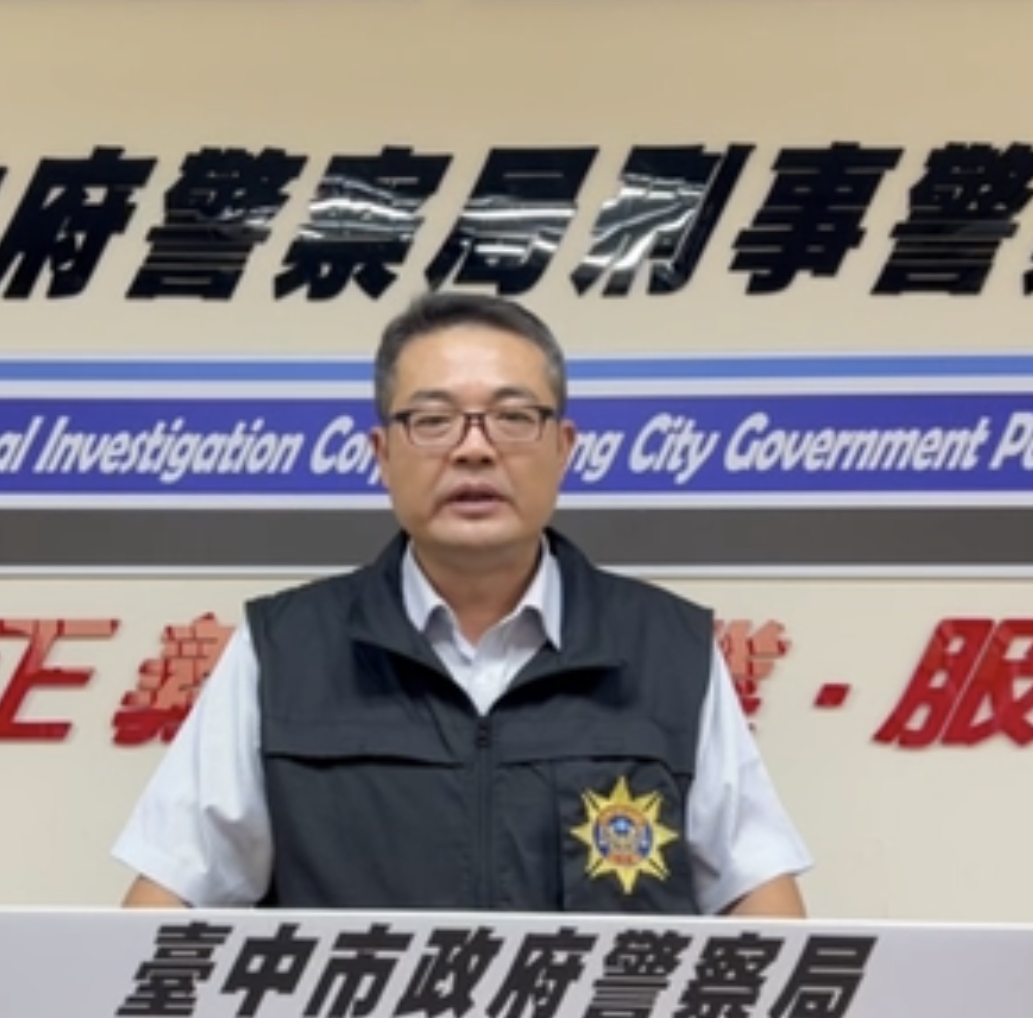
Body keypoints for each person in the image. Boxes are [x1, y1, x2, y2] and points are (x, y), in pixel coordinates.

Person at [111, 292, 814, 918]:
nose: (474, 449)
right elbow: (166, 903)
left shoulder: (668, 648)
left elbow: (758, 901)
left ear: (563, 448)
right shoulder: (284, 651)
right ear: (382, 453)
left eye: (512, 418)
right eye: (433, 420)